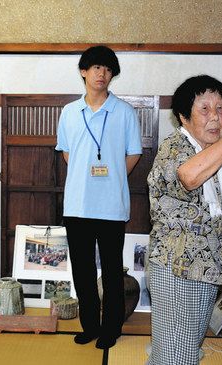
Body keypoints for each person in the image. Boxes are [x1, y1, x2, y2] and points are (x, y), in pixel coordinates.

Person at [146, 75, 222, 364]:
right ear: (183, 118)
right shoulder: (176, 147)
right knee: (175, 357)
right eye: (204, 109)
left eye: (221, 108)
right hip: (177, 270)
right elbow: (188, 176)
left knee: (181, 351)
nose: (215, 117)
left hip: (204, 270)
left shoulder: (210, 154)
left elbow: (217, 204)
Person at [55, 45, 142, 349]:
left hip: (111, 206)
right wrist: (88, 174)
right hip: (77, 204)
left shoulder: (124, 112)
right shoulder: (69, 112)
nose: (101, 74)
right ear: (83, 71)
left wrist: (112, 173)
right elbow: (67, 154)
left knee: (112, 271)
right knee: (82, 269)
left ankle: (111, 328)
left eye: (107, 69)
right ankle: (90, 325)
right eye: (95, 68)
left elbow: (133, 154)